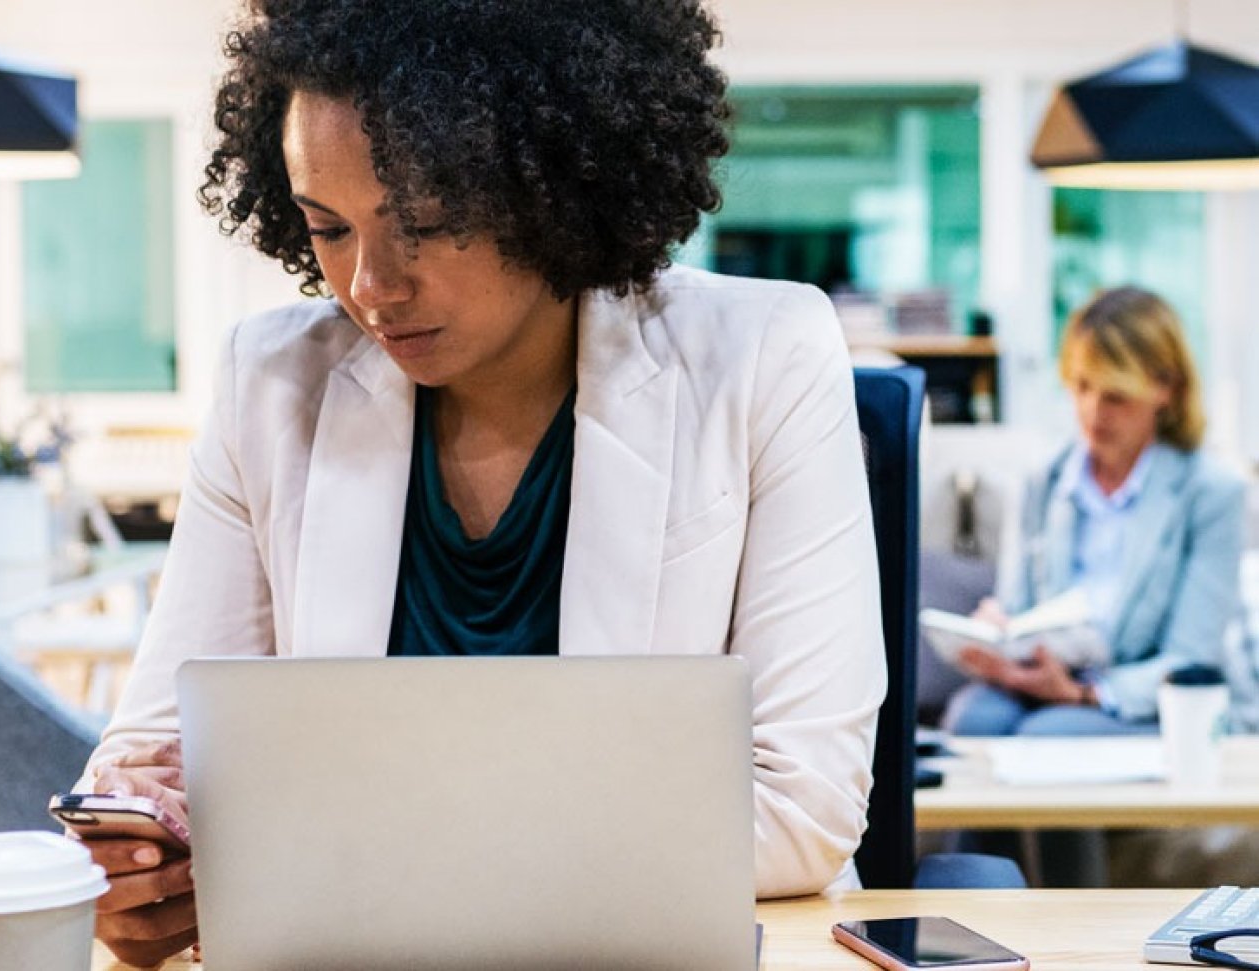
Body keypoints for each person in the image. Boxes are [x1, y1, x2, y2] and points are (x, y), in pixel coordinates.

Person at [77, 0, 887, 964]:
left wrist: (298, 853)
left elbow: (801, 811)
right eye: (328, 227)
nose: (371, 283)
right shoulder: (268, 382)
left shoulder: (767, 357)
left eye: (427, 221)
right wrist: (142, 856)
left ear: (553, 184)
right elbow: (148, 761)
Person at [943, 286, 1245, 737]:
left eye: (1115, 397)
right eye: (1081, 387)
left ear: (1166, 388)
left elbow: (1191, 658)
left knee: (1051, 733)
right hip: (1046, 680)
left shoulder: (1211, 492)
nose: (1092, 412)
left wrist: (1083, 694)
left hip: (1145, 700)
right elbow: (1018, 605)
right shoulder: (1042, 481)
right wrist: (998, 632)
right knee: (972, 720)